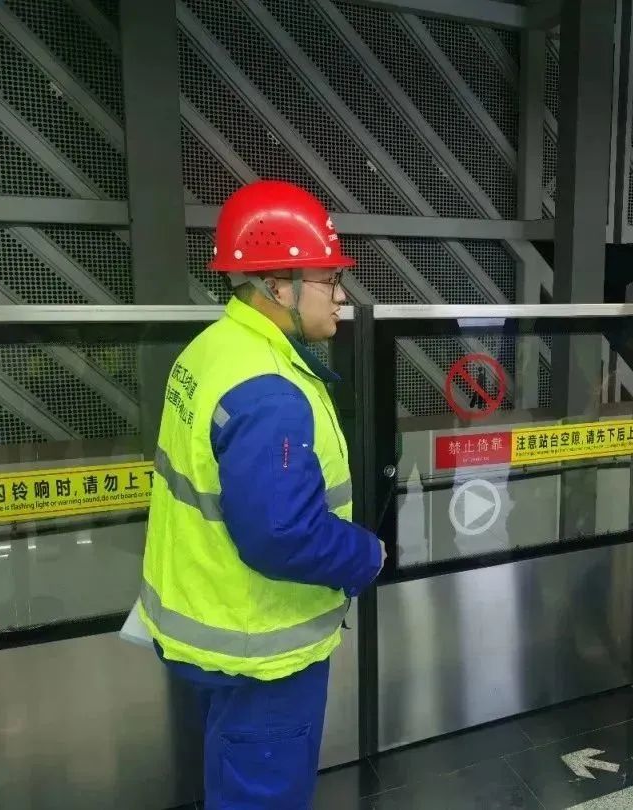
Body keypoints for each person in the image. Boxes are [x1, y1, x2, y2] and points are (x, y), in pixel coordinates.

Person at [137, 180, 384, 809]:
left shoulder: (213, 350)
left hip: (212, 625)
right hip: (262, 648)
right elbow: (282, 534)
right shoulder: (269, 388)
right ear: (278, 286)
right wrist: (368, 555)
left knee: (233, 778)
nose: (342, 294)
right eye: (329, 278)